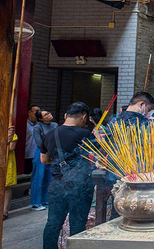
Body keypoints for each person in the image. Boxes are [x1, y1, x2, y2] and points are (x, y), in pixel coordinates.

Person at [40, 102, 96, 249]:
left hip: (57, 185)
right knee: (77, 223)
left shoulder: (49, 134)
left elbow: (44, 160)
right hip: (79, 186)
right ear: (84, 117)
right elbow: (100, 155)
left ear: (66, 116)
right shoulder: (84, 134)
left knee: (53, 222)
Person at [30, 110, 57, 210]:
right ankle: (35, 202)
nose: (49, 115)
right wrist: (47, 150)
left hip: (52, 152)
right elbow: (38, 142)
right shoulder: (37, 127)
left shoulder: (55, 125)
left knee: (49, 177)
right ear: (41, 119)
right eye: (46, 115)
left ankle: (46, 200)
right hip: (41, 152)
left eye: (49, 113)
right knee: (38, 177)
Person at [5, 126, 17, 219]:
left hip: (7, 161)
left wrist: (8, 138)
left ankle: (4, 211)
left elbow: (11, 148)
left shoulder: (12, 135)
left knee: (7, 186)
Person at [25, 105, 41, 175]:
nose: (38, 114)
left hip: (37, 154)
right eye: (36, 112)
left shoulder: (40, 125)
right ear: (29, 113)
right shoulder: (25, 125)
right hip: (27, 155)